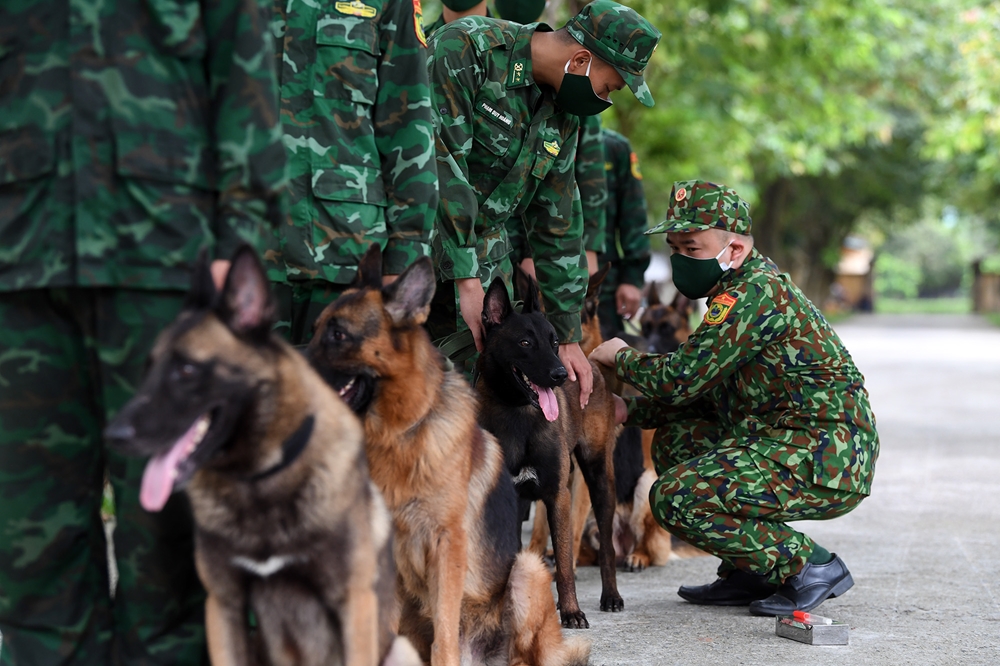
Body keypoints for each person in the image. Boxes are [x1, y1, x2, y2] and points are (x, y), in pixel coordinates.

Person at [0, 1, 286, 663]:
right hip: (17, 264)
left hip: (167, 266)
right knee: (28, 544)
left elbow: (242, 62)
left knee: (170, 543)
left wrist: (238, 238)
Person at [590, 180, 879, 616]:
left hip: (827, 453)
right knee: (677, 440)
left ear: (736, 250)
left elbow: (683, 378)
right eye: (674, 248)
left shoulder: (752, 295)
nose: (680, 261)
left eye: (692, 248)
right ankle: (752, 570)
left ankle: (808, 566)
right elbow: (706, 396)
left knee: (676, 497)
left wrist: (623, 358)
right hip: (787, 438)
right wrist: (628, 409)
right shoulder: (736, 291)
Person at [425, 0, 660, 405]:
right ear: (582, 59)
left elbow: (558, 220)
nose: (606, 99)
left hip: (484, 262)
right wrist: (466, 279)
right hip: (414, 252)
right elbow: (441, 167)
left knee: (470, 401)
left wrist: (567, 335)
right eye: (609, 87)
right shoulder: (466, 49)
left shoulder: (563, 114)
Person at [267, 0, 439, 344]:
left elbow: (408, 127)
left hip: (347, 256)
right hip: (242, 252)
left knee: (339, 395)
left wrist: (403, 261)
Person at [597, 127, 650, 339]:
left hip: (604, 284)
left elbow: (634, 216)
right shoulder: (540, 129)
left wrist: (632, 278)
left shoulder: (613, 147)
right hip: (540, 274)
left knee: (605, 357)